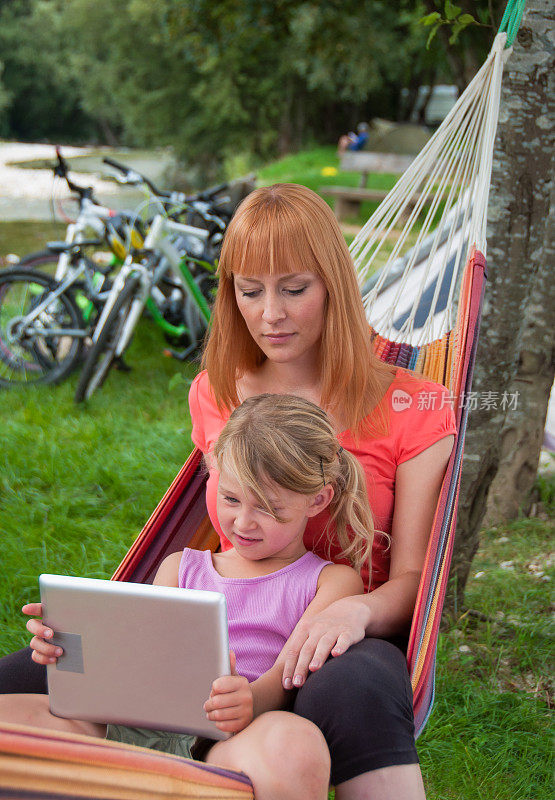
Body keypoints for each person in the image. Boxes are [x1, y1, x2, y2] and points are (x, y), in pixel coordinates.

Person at [2, 183, 456, 799]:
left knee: (359, 686)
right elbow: (209, 555)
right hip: (219, 632)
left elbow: (413, 580)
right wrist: (91, 634)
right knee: (35, 669)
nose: (271, 313)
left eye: (294, 289)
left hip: (338, 636)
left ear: (334, 287)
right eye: (250, 291)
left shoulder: (415, 407)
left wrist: (356, 611)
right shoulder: (217, 391)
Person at [0, 393, 373, 800]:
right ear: (213, 474)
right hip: (137, 722)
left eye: (268, 508)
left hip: (235, 737)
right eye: (230, 498)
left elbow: (287, 679)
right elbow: (140, 657)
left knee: (295, 749)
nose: (243, 522)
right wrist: (70, 647)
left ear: (317, 500)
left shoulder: (329, 582)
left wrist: (250, 699)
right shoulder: (181, 567)